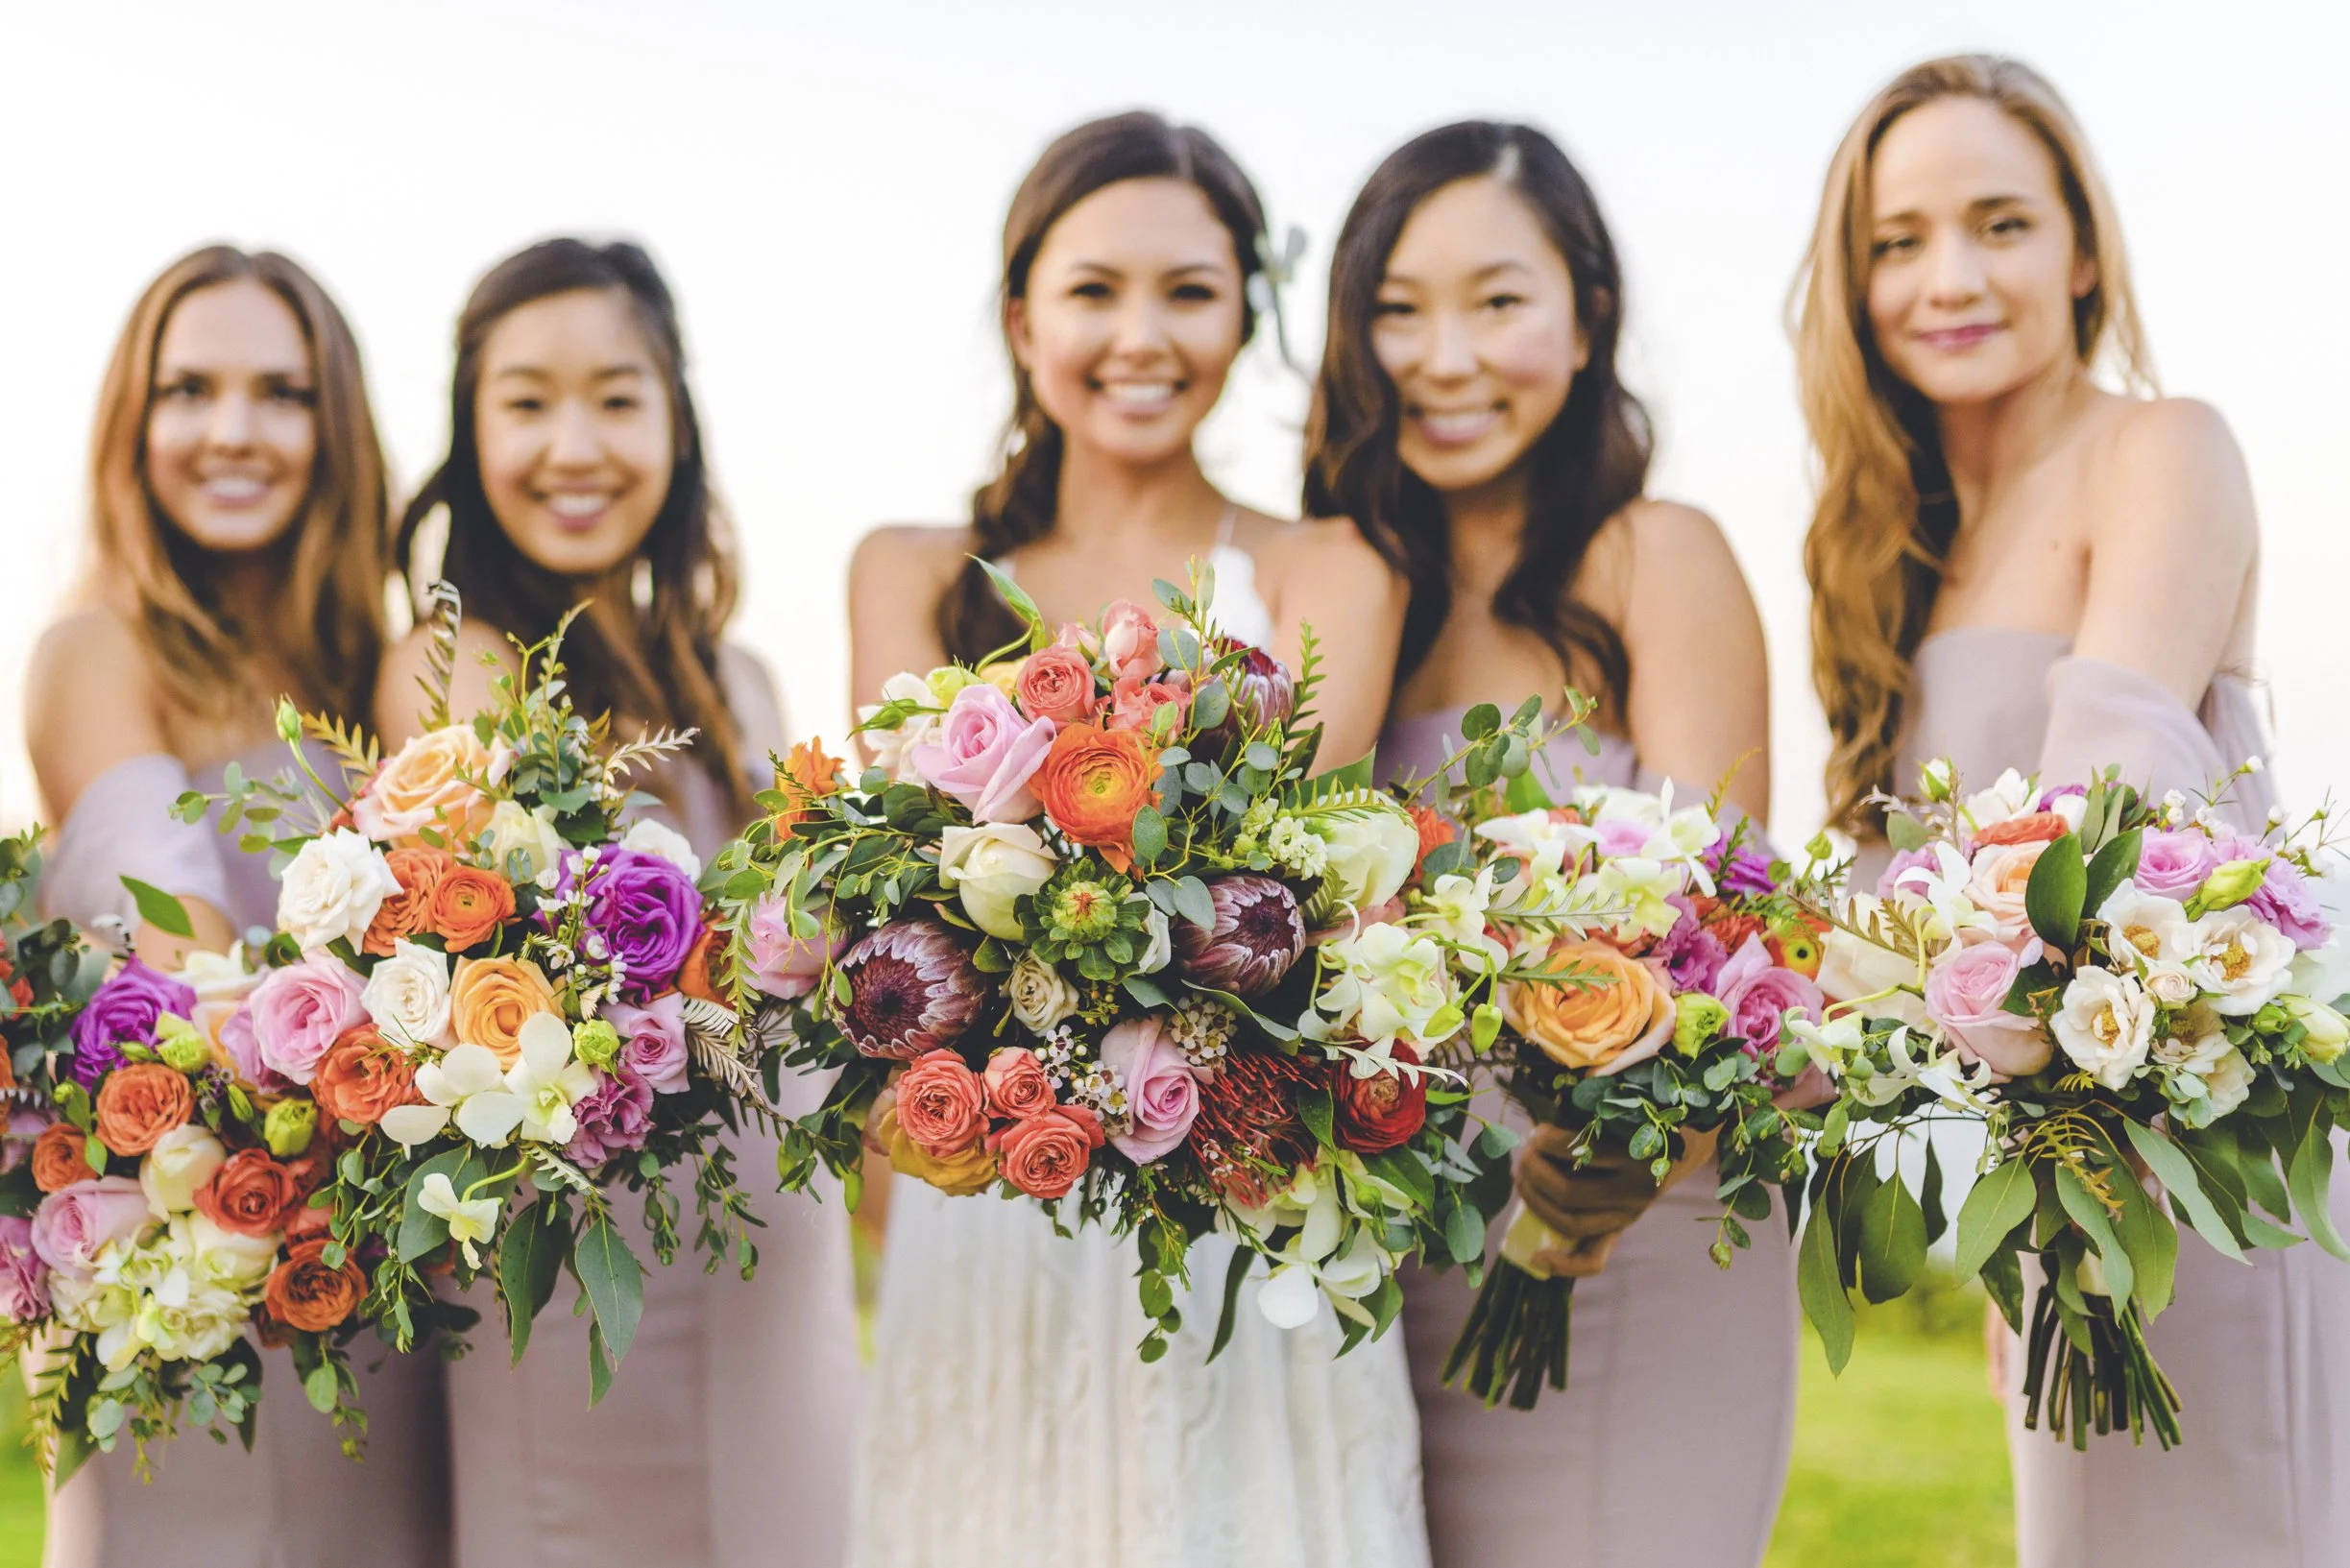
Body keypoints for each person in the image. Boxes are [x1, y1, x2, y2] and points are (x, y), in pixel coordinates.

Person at [844, 110, 1420, 1568]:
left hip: (1220, 1188)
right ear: (1020, 312)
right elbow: (890, 921)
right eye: (1095, 290)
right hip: (985, 1192)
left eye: (1188, 290)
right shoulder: (908, 576)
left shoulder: (1327, 567)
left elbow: (1272, 902)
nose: (1140, 335)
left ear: (1245, 311)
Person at [1795, 53, 2350, 1565]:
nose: (1946, 279)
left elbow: (2106, 807)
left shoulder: (2159, 449)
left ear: (2082, 248)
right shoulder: (1884, 551)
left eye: (1999, 224)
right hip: (2057, 1192)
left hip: (2211, 1166)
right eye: (1896, 243)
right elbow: (1877, 918)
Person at [1305, 120, 1794, 1568]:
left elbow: (1726, 936)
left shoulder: (1656, 557)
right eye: (1397, 309)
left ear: (1586, 316)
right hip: (1391, 1256)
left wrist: (1614, 1154)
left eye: (1496, 301)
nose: (1443, 356)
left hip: (1630, 1222)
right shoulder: (1347, 592)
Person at [376, 237, 859, 1568]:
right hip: (583, 1268)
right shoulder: (452, 669)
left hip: (780, 1269)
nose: (573, 444)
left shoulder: (740, 683)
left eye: (616, 398)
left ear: (676, 423)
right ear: (472, 433)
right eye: (527, 402)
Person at [29, 245, 450, 1567]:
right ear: (131, 423)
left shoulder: (377, 677)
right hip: (181, 1299)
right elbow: (183, 953)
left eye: (279, 392)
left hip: (375, 1287)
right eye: (187, 390)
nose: (230, 431)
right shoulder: (98, 651)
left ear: (334, 427)